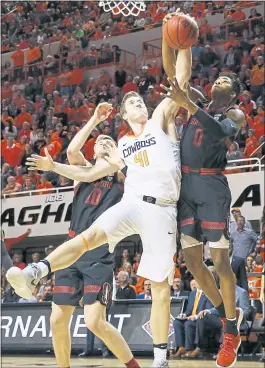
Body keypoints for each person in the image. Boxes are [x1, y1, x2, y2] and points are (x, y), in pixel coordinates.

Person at [7, 10, 193, 367]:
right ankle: (35, 272)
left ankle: (159, 359)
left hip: (163, 207)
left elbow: (181, 81)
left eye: (141, 100)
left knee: (160, 286)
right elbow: (91, 174)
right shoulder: (122, 143)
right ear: (124, 115)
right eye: (132, 103)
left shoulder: (159, 119)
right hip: (134, 201)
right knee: (88, 236)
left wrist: (183, 45)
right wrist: (53, 165)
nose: (139, 103)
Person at [40, 104, 141, 367]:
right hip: (72, 249)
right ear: (94, 149)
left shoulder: (120, 176)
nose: (104, 141)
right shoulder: (82, 172)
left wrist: (118, 154)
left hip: (99, 253)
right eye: (100, 141)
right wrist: (95, 119)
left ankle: (133, 364)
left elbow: (135, 178)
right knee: (57, 319)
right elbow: (72, 150)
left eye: (109, 140)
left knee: (95, 322)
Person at [161, 58, 246, 366]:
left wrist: (189, 104)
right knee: (194, 263)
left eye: (225, 82)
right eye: (217, 80)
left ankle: (229, 331)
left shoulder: (235, 114)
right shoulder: (196, 98)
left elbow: (220, 132)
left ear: (234, 94)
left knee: (221, 261)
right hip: (187, 186)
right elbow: (175, 75)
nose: (217, 83)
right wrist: (173, 39)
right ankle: (229, 319)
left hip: (212, 186)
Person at [172, 279, 213, 358]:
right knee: (177, 322)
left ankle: (189, 348)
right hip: (190, 318)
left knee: (188, 324)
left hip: (201, 319)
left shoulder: (208, 293)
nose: (195, 284)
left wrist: (195, 316)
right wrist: (184, 314)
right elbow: (189, 310)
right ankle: (181, 347)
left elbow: (207, 310)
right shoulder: (192, 293)